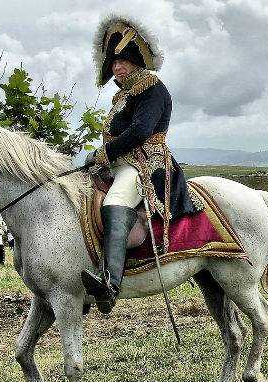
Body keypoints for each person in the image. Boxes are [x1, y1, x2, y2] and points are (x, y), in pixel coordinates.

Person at [82, 15, 199, 313]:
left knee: (114, 203)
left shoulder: (153, 88)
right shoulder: (122, 95)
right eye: (113, 63)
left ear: (136, 62)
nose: (117, 67)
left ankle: (110, 285)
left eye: (122, 61)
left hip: (146, 165)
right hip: (120, 162)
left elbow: (140, 131)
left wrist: (103, 153)